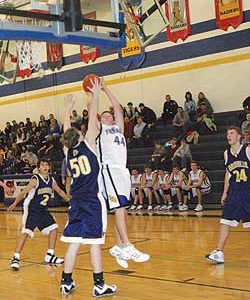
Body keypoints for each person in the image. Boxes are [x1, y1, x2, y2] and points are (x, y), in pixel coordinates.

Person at [60, 84, 117, 297]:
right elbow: (93, 118)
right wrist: (93, 96)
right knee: (94, 243)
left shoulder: (68, 152)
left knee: (74, 243)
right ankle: (99, 285)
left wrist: (67, 108)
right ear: (80, 136)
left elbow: (67, 129)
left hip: (76, 202)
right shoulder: (90, 145)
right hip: (93, 201)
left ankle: (66, 282)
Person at [97, 79, 150, 269]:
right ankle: (127, 245)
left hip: (122, 170)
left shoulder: (117, 128)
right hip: (109, 169)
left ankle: (119, 246)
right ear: (99, 120)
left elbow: (118, 108)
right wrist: (94, 93)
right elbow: (95, 115)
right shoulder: (99, 130)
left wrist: (106, 89)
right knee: (119, 207)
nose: (108, 117)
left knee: (123, 209)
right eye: (103, 116)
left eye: (109, 116)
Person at [7, 158, 69, 271]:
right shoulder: (35, 179)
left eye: (47, 165)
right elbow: (23, 192)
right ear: (38, 168)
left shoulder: (52, 180)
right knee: (26, 232)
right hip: (31, 210)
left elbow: (60, 192)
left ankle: (50, 256)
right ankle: (15, 258)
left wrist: (72, 201)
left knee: (54, 228)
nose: (45, 167)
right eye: (43, 165)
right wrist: (15, 203)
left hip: (42, 210)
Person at [205, 126, 250, 264]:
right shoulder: (226, 153)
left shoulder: (247, 150)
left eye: (232, 133)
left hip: (247, 192)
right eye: (227, 134)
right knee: (225, 221)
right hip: (234, 193)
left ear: (239, 136)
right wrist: (225, 192)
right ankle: (219, 252)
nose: (228, 136)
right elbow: (228, 174)